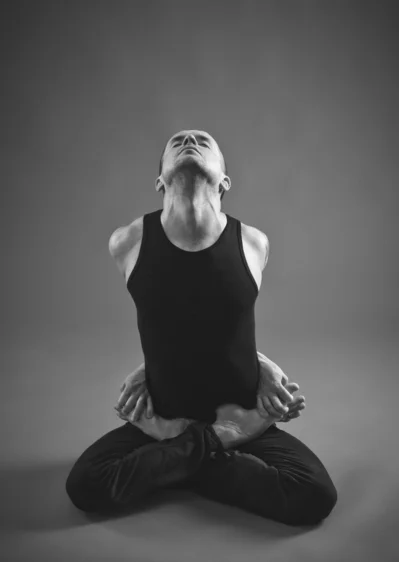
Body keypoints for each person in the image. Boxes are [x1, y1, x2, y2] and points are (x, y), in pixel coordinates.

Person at [65, 130, 337, 526]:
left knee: (316, 494)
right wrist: (156, 376)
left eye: (203, 140)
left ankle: (175, 462)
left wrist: (261, 366)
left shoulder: (254, 243)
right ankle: (206, 451)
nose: (189, 139)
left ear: (224, 182)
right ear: (160, 181)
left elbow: (223, 331)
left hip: (242, 417)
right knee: (85, 486)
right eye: (177, 141)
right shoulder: (128, 241)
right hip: (163, 420)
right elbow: (180, 326)